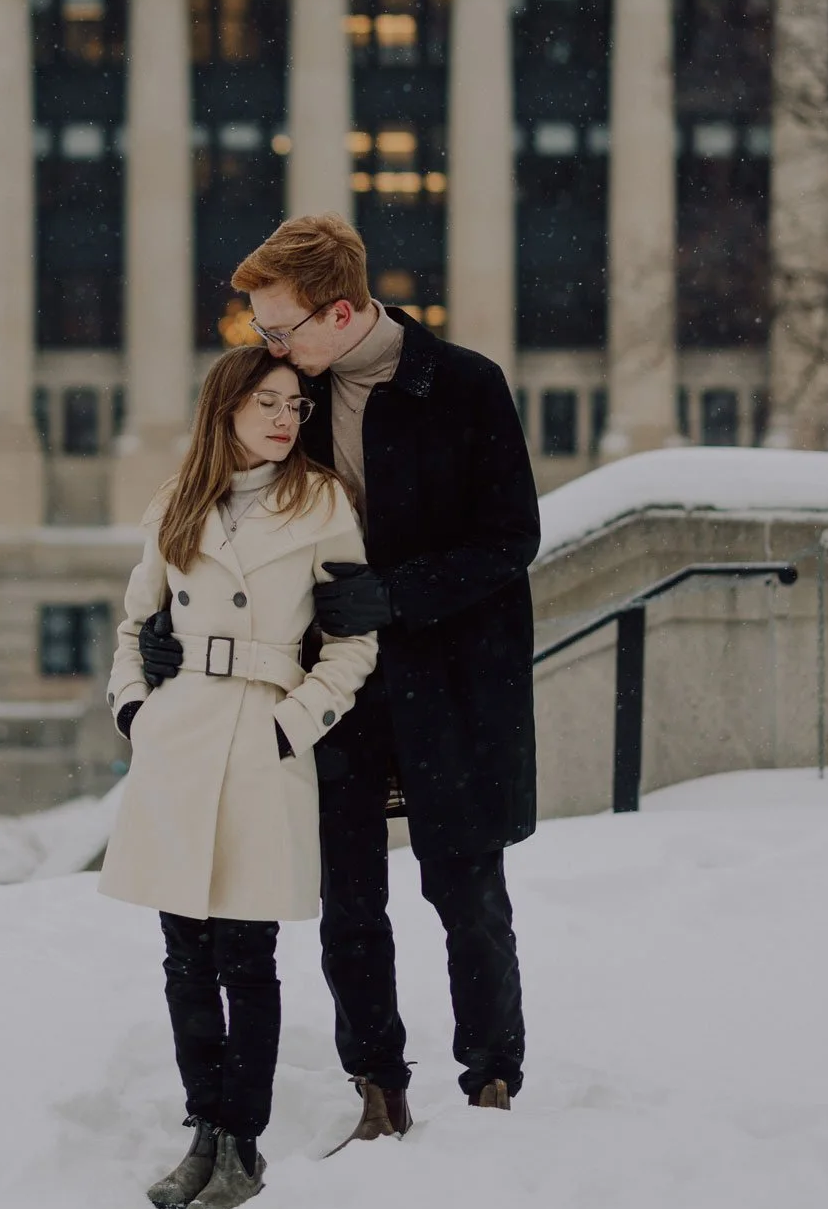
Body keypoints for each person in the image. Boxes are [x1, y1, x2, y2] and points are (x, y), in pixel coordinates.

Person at [139, 214, 540, 1147]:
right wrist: (167, 629)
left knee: (465, 888)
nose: (268, 349)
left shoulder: (465, 385)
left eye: (280, 329)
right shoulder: (294, 399)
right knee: (349, 899)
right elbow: (228, 519)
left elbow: (509, 539)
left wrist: (395, 596)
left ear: (344, 311)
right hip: (330, 689)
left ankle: (490, 1080)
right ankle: (377, 1087)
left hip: (451, 682)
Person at [101, 343, 379, 1209]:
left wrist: (291, 724)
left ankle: (243, 1145)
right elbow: (134, 621)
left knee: (246, 959)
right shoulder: (176, 502)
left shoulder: (321, 501)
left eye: (295, 405)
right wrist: (134, 711)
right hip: (179, 739)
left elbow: (353, 643)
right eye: (266, 401)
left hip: (261, 742)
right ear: (225, 406)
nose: (284, 418)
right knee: (184, 955)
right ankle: (202, 1133)